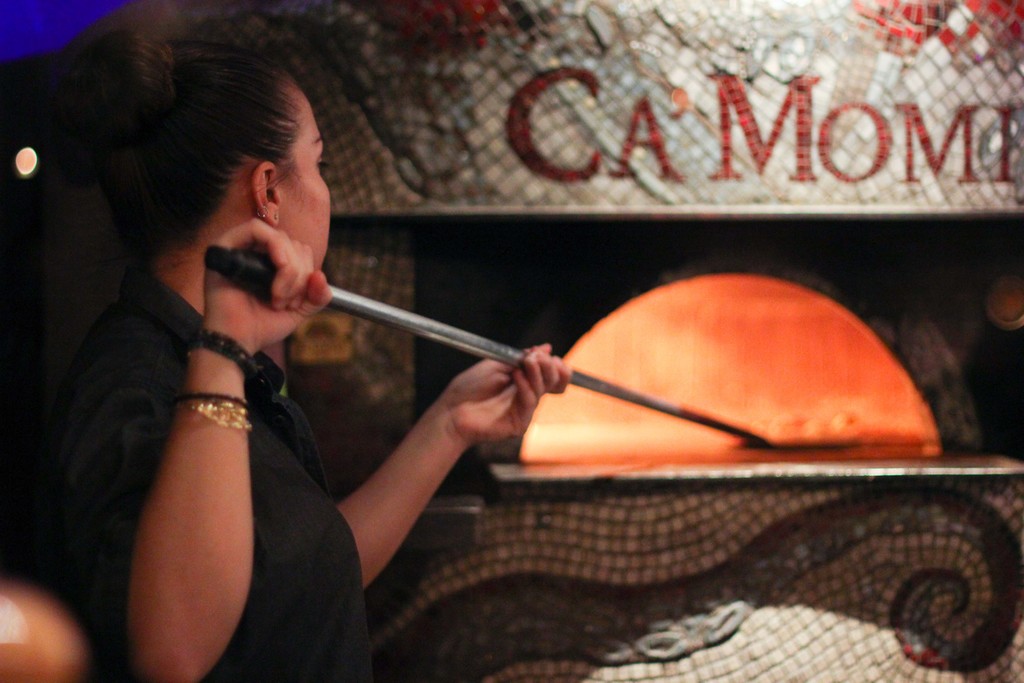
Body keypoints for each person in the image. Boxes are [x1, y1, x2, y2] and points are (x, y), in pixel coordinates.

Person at [36, 30, 570, 682]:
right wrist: (225, 344)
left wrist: (450, 424)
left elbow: (299, 583)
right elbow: (173, 651)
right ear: (268, 190)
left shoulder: (205, 363)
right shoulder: (134, 385)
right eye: (319, 164)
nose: (325, 192)